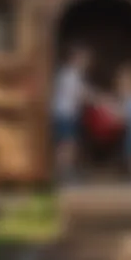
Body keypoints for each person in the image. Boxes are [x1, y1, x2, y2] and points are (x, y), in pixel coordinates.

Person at [52, 45, 93, 182]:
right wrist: (105, 101)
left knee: (70, 144)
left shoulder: (73, 74)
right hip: (65, 115)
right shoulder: (69, 75)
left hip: (69, 115)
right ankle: (63, 175)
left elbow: (85, 91)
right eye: (84, 59)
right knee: (67, 144)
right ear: (75, 59)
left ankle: (67, 172)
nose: (86, 63)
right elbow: (83, 94)